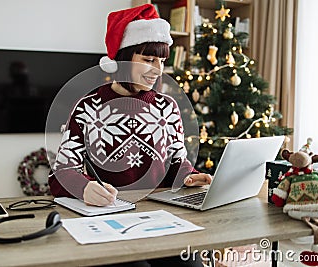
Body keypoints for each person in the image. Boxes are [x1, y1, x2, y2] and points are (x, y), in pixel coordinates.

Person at [48, 4, 212, 266]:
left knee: (191, 264)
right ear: (123, 59)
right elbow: (61, 173)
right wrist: (85, 188)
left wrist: (189, 177)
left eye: (161, 61)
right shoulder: (88, 107)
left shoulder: (167, 108)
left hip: (159, 219)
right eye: (148, 60)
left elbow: (177, 164)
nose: (157, 70)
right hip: (110, 222)